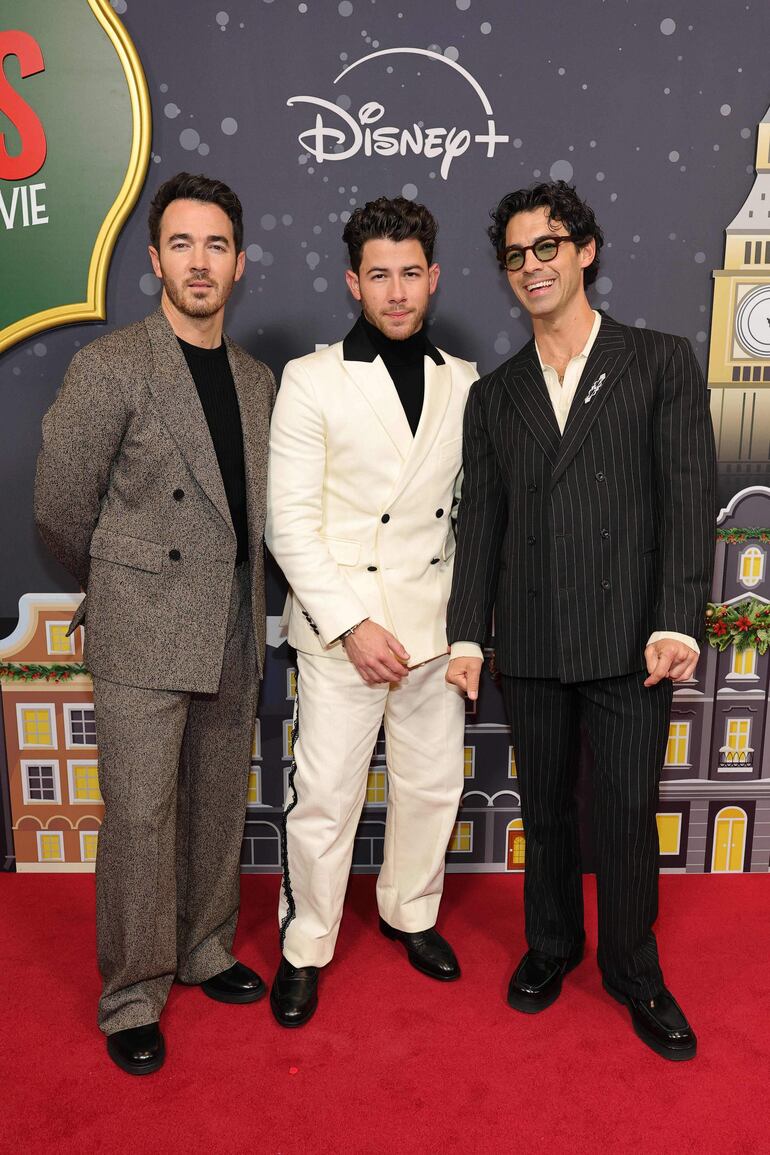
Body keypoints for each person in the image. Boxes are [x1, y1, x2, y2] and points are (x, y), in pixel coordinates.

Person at [446, 181, 716, 1061]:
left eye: (549, 247)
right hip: (526, 639)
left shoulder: (660, 360)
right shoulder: (495, 397)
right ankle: (553, 945)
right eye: (517, 255)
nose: (533, 266)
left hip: (631, 640)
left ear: (586, 250)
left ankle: (636, 974)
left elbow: (686, 500)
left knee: (628, 812)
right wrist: (466, 634)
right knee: (548, 810)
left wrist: (678, 618)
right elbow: (479, 521)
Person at [35, 172, 275, 1075]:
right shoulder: (111, 365)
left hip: (230, 622)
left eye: (216, 245)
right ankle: (134, 991)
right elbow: (61, 509)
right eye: (182, 244)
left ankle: (207, 947)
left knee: (216, 804)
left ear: (239, 263)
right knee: (140, 816)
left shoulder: (256, 381)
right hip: (143, 624)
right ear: (154, 260)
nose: (200, 261)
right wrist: (124, 578)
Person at [266, 196, 477, 1027]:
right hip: (342, 633)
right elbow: (290, 520)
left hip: (430, 626)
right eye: (379, 274)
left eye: (411, 273)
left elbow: (472, 516)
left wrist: (463, 632)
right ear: (355, 280)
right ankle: (307, 942)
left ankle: (410, 913)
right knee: (325, 798)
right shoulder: (311, 380)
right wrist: (351, 624)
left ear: (435, 277)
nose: (397, 291)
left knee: (430, 789)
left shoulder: (465, 383)